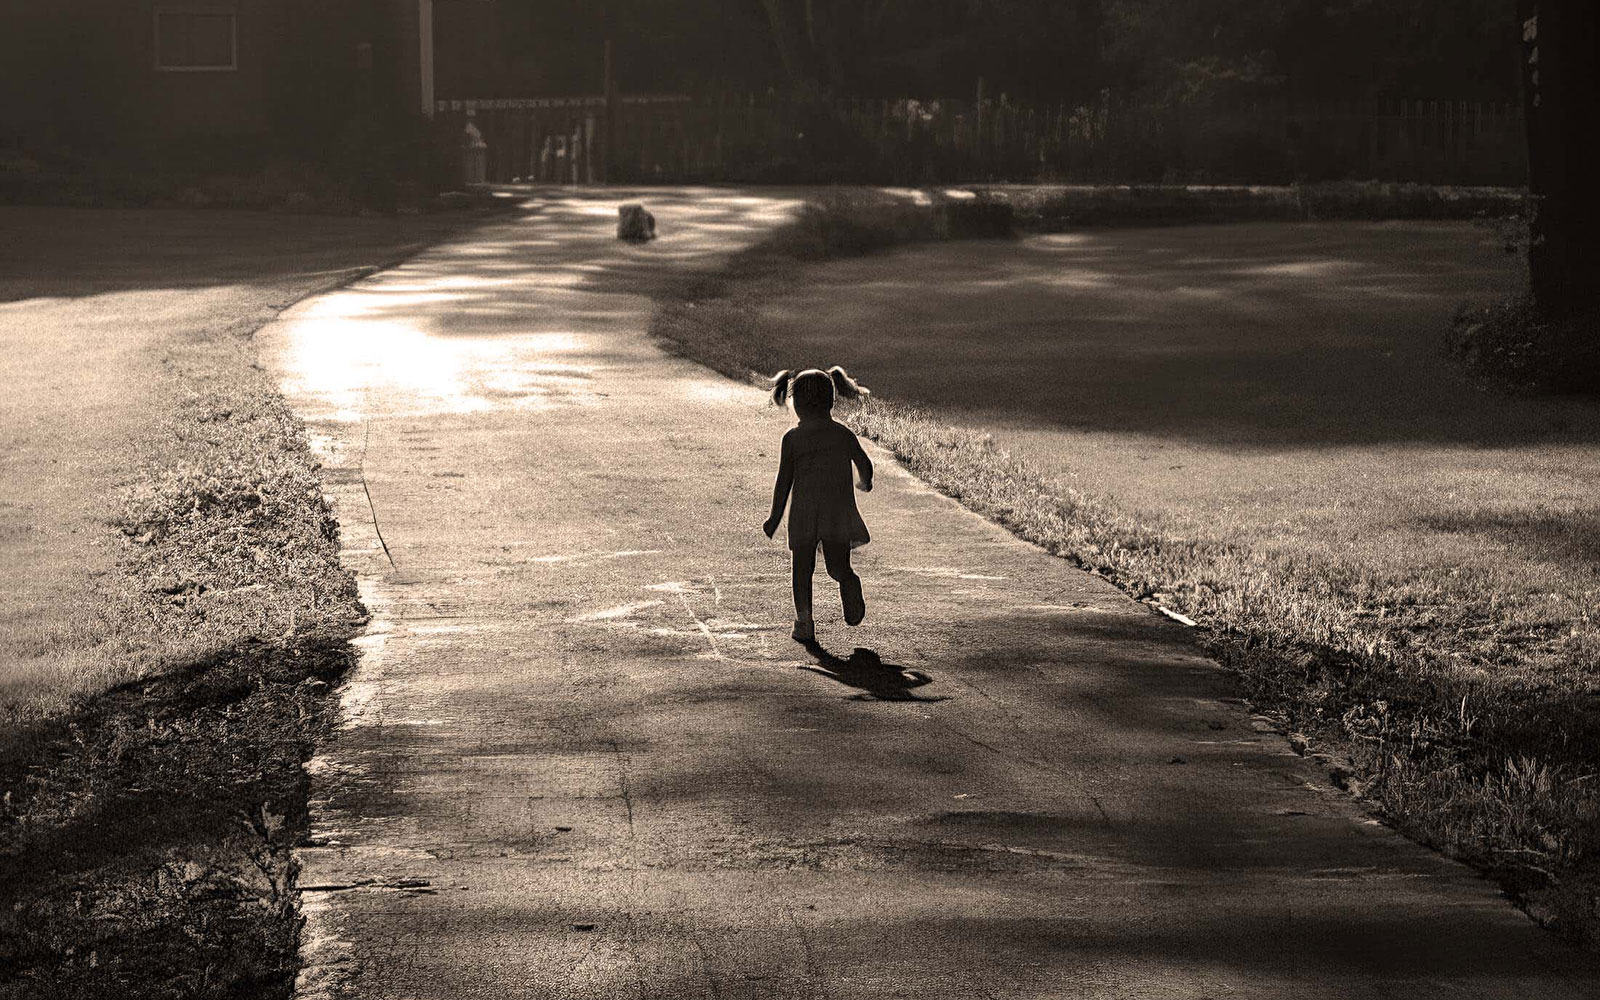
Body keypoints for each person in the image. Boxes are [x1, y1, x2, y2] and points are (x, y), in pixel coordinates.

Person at [762, 367, 874, 642]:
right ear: (831, 401)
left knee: (801, 572)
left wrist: (774, 518)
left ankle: (804, 623)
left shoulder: (793, 439)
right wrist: (865, 482)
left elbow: (783, 482)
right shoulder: (841, 434)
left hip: (803, 515)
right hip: (836, 513)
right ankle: (848, 581)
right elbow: (864, 462)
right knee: (836, 566)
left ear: (795, 403)